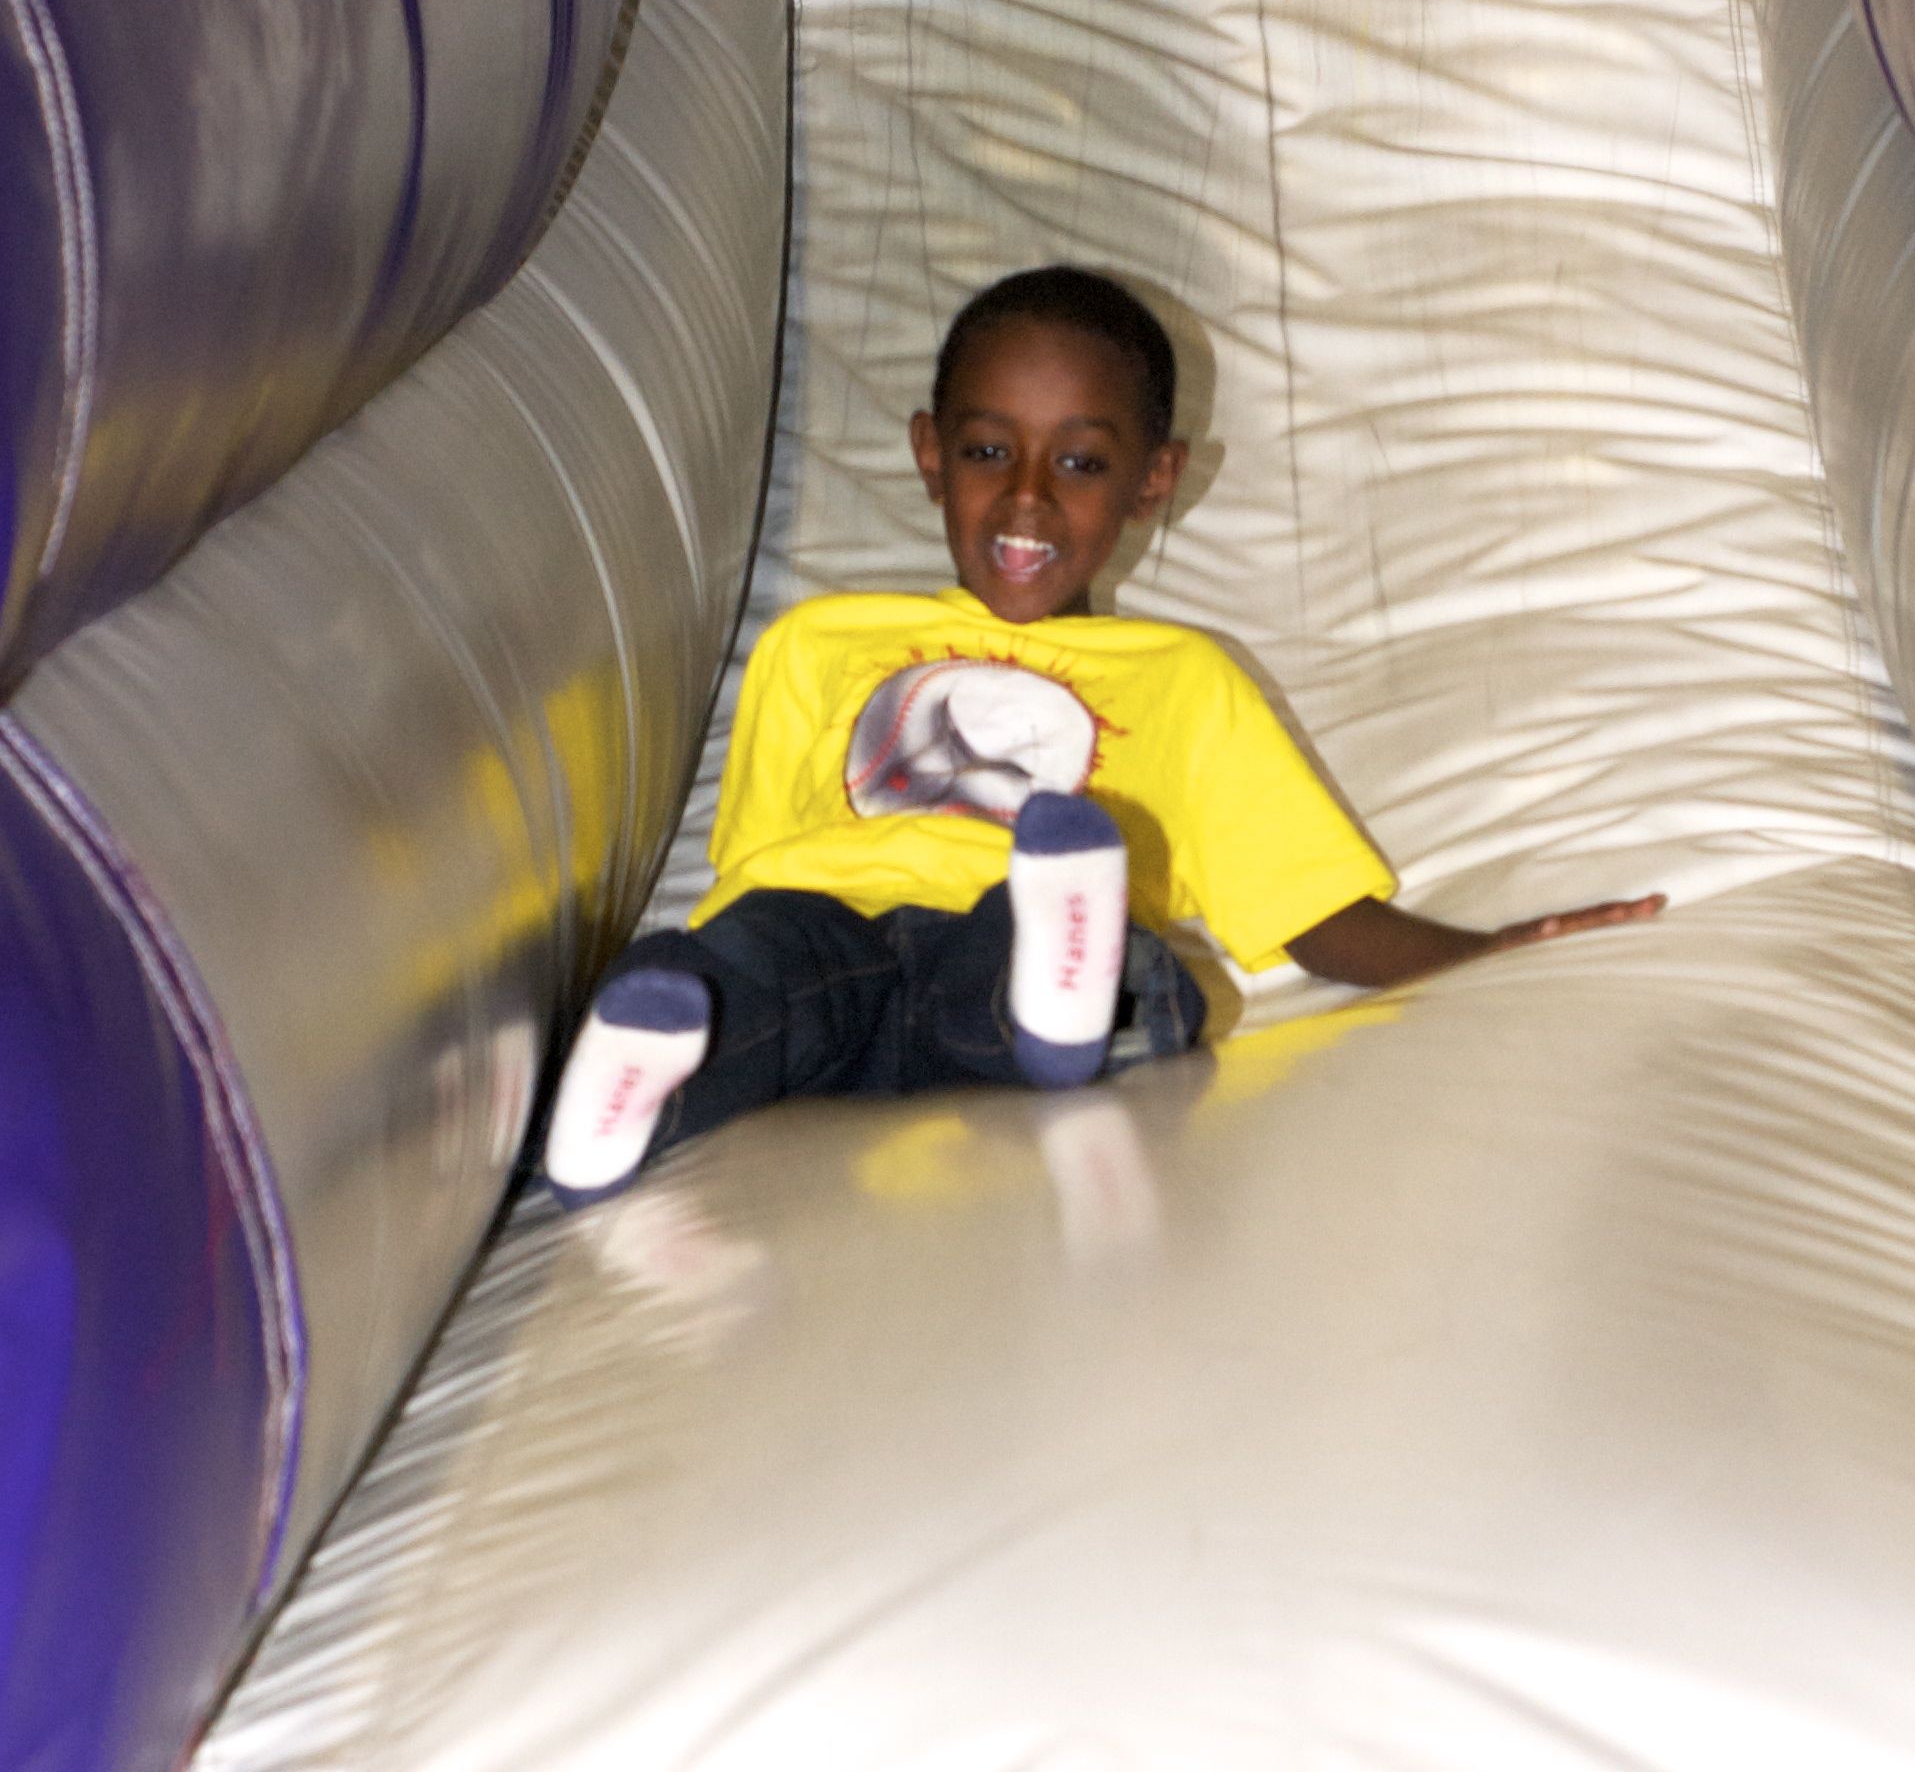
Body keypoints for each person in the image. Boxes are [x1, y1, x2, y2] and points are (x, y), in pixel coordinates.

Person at [539, 265, 1665, 1201]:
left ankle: (1059, 990)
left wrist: (1484, 953)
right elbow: (757, 867)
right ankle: (628, 1102)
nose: (1027, 498)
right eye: (989, 452)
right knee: (744, 974)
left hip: (1002, 941)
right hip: (834, 932)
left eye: (1080, 463)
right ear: (930, 453)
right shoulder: (818, 640)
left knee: (1117, 962)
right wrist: (719, 971)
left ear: (1152, 480)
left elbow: (1313, 911)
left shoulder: (1185, 679)